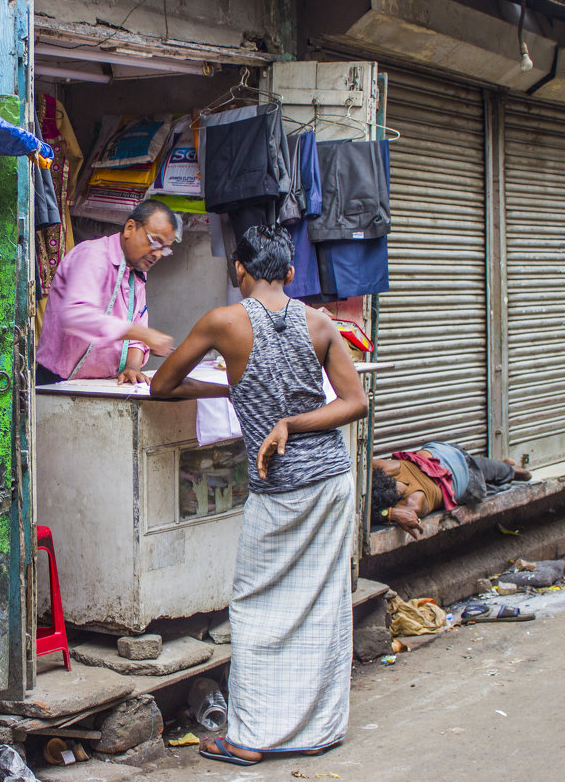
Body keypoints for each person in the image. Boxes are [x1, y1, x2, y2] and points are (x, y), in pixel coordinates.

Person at [148, 225, 368, 766]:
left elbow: (162, 384)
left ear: (238, 270)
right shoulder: (319, 322)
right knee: (321, 603)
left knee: (253, 605)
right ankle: (317, 728)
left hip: (281, 486)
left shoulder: (223, 322)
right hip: (331, 481)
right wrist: (276, 409)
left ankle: (249, 736)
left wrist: (244, 396)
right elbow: (355, 401)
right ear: (290, 274)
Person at [36, 199, 178, 385]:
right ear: (129, 228)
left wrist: (132, 367)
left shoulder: (137, 275)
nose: (157, 254)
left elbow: (136, 331)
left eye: (164, 249)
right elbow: (77, 316)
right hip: (60, 382)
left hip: (104, 384)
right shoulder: (93, 255)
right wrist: (144, 335)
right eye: (154, 242)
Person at [371, 444, 531, 539]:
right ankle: (507, 468)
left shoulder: (411, 505)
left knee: (507, 476)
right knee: (493, 475)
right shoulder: (386, 467)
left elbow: (414, 522)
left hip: (461, 471)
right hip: (447, 456)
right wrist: (392, 513)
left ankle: (509, 470)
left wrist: (389, 514)